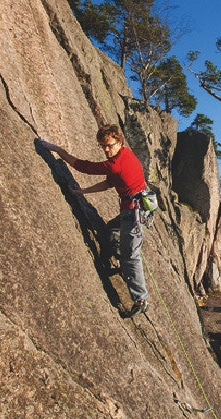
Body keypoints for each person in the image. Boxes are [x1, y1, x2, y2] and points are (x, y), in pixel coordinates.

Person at [40, 125, 149, 316]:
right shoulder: (125, 154)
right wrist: (83, 191)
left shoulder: (116, 164)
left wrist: (57, 150)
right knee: (111, 231)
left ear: (119, 142)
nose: (106, 150)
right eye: (102, 147)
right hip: (139, 207)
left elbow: (83, 166)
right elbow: (108, 183)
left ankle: (140, 299)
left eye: (109, 145)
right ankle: (123, 264)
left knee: (131, 255)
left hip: (134, 213)